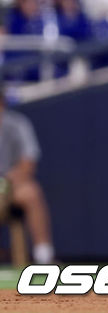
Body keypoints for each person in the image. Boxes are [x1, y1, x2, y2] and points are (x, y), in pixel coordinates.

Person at [0, 84, 55, 264]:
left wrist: (5, 183)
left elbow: (28, 164)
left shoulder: (16, 124)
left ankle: (44, 257)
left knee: (31, 192)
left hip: (9, 187)